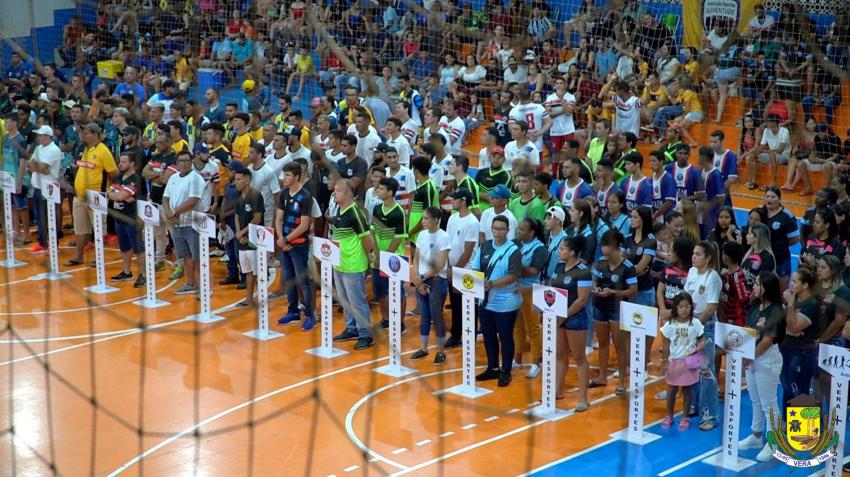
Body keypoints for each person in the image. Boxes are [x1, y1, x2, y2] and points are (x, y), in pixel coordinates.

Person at [738, 271, 784, 461]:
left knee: (769, 402)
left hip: (767, 357)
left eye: (757, 284)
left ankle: (774, 443)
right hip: (752, 354)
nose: (753, 287)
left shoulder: (776, 311)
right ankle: (756, 435)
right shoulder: (755, 305)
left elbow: (767, 340)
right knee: (755, 398)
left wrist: (748, 356)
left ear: (766, 288)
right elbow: (750, 332)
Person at [474, 215, 522, 387]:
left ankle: (506, 371)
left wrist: (491, 284)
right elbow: (475, 268)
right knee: (488, 336)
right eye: (495, 228)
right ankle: (492, 367)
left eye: (502, 229)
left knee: (505, 336)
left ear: (508, 230)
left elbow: (514, 275)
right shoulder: (485, 246)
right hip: (486, 301)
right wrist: (480, 282)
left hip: (506, 301)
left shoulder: (513, 250)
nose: (498, 232)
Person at [589, 230, 637, 395]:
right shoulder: (600, 263)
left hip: (618, 309)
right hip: (600, 306)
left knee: (620, 346)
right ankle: (602, 376)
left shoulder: (627, 267)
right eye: (602, 245)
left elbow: (632, 291)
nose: (603, 248)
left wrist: (613, 293)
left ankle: (622, 380)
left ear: (616, 247)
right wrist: (596, 288)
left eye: (606, 245)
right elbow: (594, 280)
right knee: (602, 343)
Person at [331, 179, 376, 350]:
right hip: (339, 263)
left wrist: (368, 260)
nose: (334, 193)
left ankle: (366, 334)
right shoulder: (338, 209)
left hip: (353, 264)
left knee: (357, 301)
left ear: (349, 194)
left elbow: (367, 239)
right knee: (345, 300)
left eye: (338, 191)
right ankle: (351, 328)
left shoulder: (356, 213)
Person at [549, 235, 592, 411]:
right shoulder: (559, 266)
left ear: (572, 252)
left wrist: (563, 316)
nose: (560, 252)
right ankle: (557, 390)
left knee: (579, 357)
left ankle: (583, 398)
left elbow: (582, 299)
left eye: (562, 249)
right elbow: (553, 289)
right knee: (559, 355)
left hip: (575, 317)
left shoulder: (583, 271)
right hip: (559, 315)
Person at [683, 241, 722, 431]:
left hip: (704, 325)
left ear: (707, 258)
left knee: (706, 370)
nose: (693, 257)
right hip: (691, 323)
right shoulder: (691, 272)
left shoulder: (712, 277)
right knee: (692, 367)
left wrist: (696, 326)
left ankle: (711, 415)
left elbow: (712, 306)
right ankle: (696, 405)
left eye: (698, 254)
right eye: (693, 253)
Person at [67, 122, 118, 265]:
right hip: (79, 196)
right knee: (80, 228)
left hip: (96, 196)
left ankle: (99, 257)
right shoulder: (83, 148)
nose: (83, 135)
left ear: (95, 134)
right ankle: (79, 256)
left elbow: (114, 173)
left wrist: (110, 190)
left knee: (98, 228)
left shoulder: (103, 151)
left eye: (87, 132)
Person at [275, 162, 316, 330]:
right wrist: (280, 238)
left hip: (299, 246)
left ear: (297, 177)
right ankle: (292, 311)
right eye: (284, 175)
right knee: (288, 279)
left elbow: (304, 225)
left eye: (288, 175)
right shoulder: (284, 193)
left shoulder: (305, 196)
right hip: (285, 244)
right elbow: (279, 219)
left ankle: (310, 314)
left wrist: (286, 240)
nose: (284, 178)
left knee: (303, 281)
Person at [410, 207, 451, 365]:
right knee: (424, 315)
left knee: (437, 316)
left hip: (436, 280)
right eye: (423, 218)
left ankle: (441, 351)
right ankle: (423, 348)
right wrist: (416, 275)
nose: (423, 222)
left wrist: (420, 279)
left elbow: (440, 265)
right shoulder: (421, 235)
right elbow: (416, 258)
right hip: (422, 279)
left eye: (426, 219)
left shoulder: (444, 237)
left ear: (435, 220)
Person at [660, 292, 705, 430]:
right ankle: (669, 415)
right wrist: (664, 361)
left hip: (689, 362)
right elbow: (666, 345)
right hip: (674, 361)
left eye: (687, 306)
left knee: (687, 390)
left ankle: (685, 416)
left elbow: (702, 340)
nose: (684, 309)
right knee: (672, 390)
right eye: (681, 307)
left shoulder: (695, 323)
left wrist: (699, 347)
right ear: (675, 308)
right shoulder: (670, 325)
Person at [779, 268, 822, 412]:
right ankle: (788, 421)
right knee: (787, 387)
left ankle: (805, 431)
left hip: (802, 353)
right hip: (786, 348)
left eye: (794, 281)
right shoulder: (796, 298)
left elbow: (793, 327)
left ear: (805, 286)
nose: (790, 284)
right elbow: (780, 323)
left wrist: (790, 305)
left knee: (799, 389)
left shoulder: (811, 304)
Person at [162, 151, 205, 295]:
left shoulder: (196, 178)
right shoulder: (173, 177)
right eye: (181, 161)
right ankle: (191, 283)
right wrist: (168, 211)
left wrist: (174, 212)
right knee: (185, 255)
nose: (184, 163)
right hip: (177, 223)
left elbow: (193, 200)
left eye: (187, 160)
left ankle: (203, 285)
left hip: (193, 222)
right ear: (177, 163)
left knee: (198, 255)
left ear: (192, 161)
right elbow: (165, 198)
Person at [370, 177, 408, 331]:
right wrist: (377, 254)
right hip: (377, 258)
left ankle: (400, 323)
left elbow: (398, 239)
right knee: (380, 291)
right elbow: (372, 231)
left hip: (394, 260)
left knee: (398, 292)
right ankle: (386, 319)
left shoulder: (399, 212)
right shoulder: (377, 208)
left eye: (380, 188)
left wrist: (384, 257)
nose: (377, 190)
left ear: (390, 192)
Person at [513, 217, 547, 378]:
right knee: (517, 326)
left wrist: (515, 268)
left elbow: (534, 271)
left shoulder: (539, 248)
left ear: (532, 232)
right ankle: (517, 358)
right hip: (514, 289)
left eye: (523, 230)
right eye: (519, 229)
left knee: (533, 328)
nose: (519, 232)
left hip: (532, 290)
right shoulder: (515, 243)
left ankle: (537, 362)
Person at [106, 153, 145, 287]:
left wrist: (119, 195)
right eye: (120, 162)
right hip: (119, 218)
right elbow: (109, 194)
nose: (120, 164)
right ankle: (126, 272)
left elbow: (120, 195)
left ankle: (143, 274)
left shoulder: (135, 179)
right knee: (124, 247)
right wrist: (119, 195)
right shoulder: (118, 177)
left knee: (138, 248)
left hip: (132, 219)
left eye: (124, 162)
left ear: (132, 163)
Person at [28, 125, 63, 253]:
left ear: (48, 136)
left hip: (49, 189)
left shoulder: (54, 150)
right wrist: (39, 167)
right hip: (37, 187)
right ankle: (42, 243)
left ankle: (54, 245)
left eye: (41, 135)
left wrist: (38, 167)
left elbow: (42, 168)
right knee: (39, 218)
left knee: (50, 218)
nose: (38, 137)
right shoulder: (38, 148)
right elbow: (30, 165)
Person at [233, 167, 264, 307]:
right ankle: (249, 299)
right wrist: (239, 233)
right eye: (235, 179)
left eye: (239, 179)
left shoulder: (255, 195)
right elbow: (237, 216)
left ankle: (260, 298)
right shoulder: (238, 196)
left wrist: (243, 233)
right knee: (247, 270)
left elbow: (257, 219)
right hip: (242, 239)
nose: (236, 182)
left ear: (247, 180)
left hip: (254, 239)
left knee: (257, 270)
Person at [759, 187, 799, 288]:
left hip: (781, 259)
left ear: (779, 199)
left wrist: (780, 245)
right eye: (767, 196)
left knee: (782, 290)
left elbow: (795, 239)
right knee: (762, 287)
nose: (769, 199)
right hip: (762, 258)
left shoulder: (787, 216)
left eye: (773, 197)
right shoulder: (760, 212)